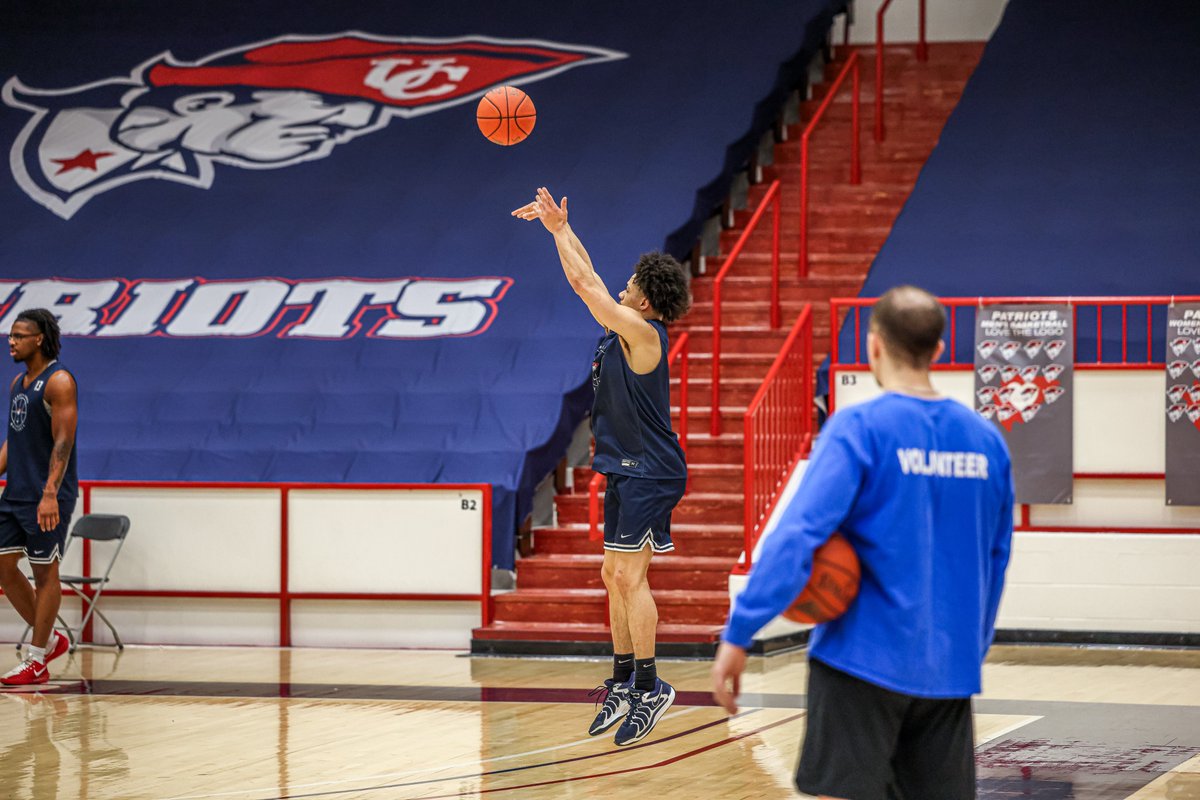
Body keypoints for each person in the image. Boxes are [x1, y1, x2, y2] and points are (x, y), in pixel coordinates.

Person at [711, 286, 1014, 799]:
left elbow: (798, 535)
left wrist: (740, 631)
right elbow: (997, 559)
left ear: (874, 345)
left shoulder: (858, 427)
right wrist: (969, 648)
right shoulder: (987, 442)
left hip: (860, 662)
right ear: (938, 350)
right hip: (948, 668)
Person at [512, 188, 691, 746]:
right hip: (625, 466)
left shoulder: (643, 334)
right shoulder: (625, 327)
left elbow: (583, 284)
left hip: (650, 470)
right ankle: (623, 682)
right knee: (612, 575)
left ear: (644, 301)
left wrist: (556, 235)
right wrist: (562, 228)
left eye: (632, 284)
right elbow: (588, 274)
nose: (622, 286)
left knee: (630, 577)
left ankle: (651, 687)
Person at [0, 309, 79, 686]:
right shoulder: (18, 382)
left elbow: (63, 442)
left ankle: (36, 659)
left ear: (39, 339)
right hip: (15, 493)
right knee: (3, 567)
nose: (11, 341)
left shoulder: (59, 381)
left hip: (47, 496)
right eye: (11, 335)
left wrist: (50, 494)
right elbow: (14, 439)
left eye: (19, 335)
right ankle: (49, 641)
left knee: (45, 572)